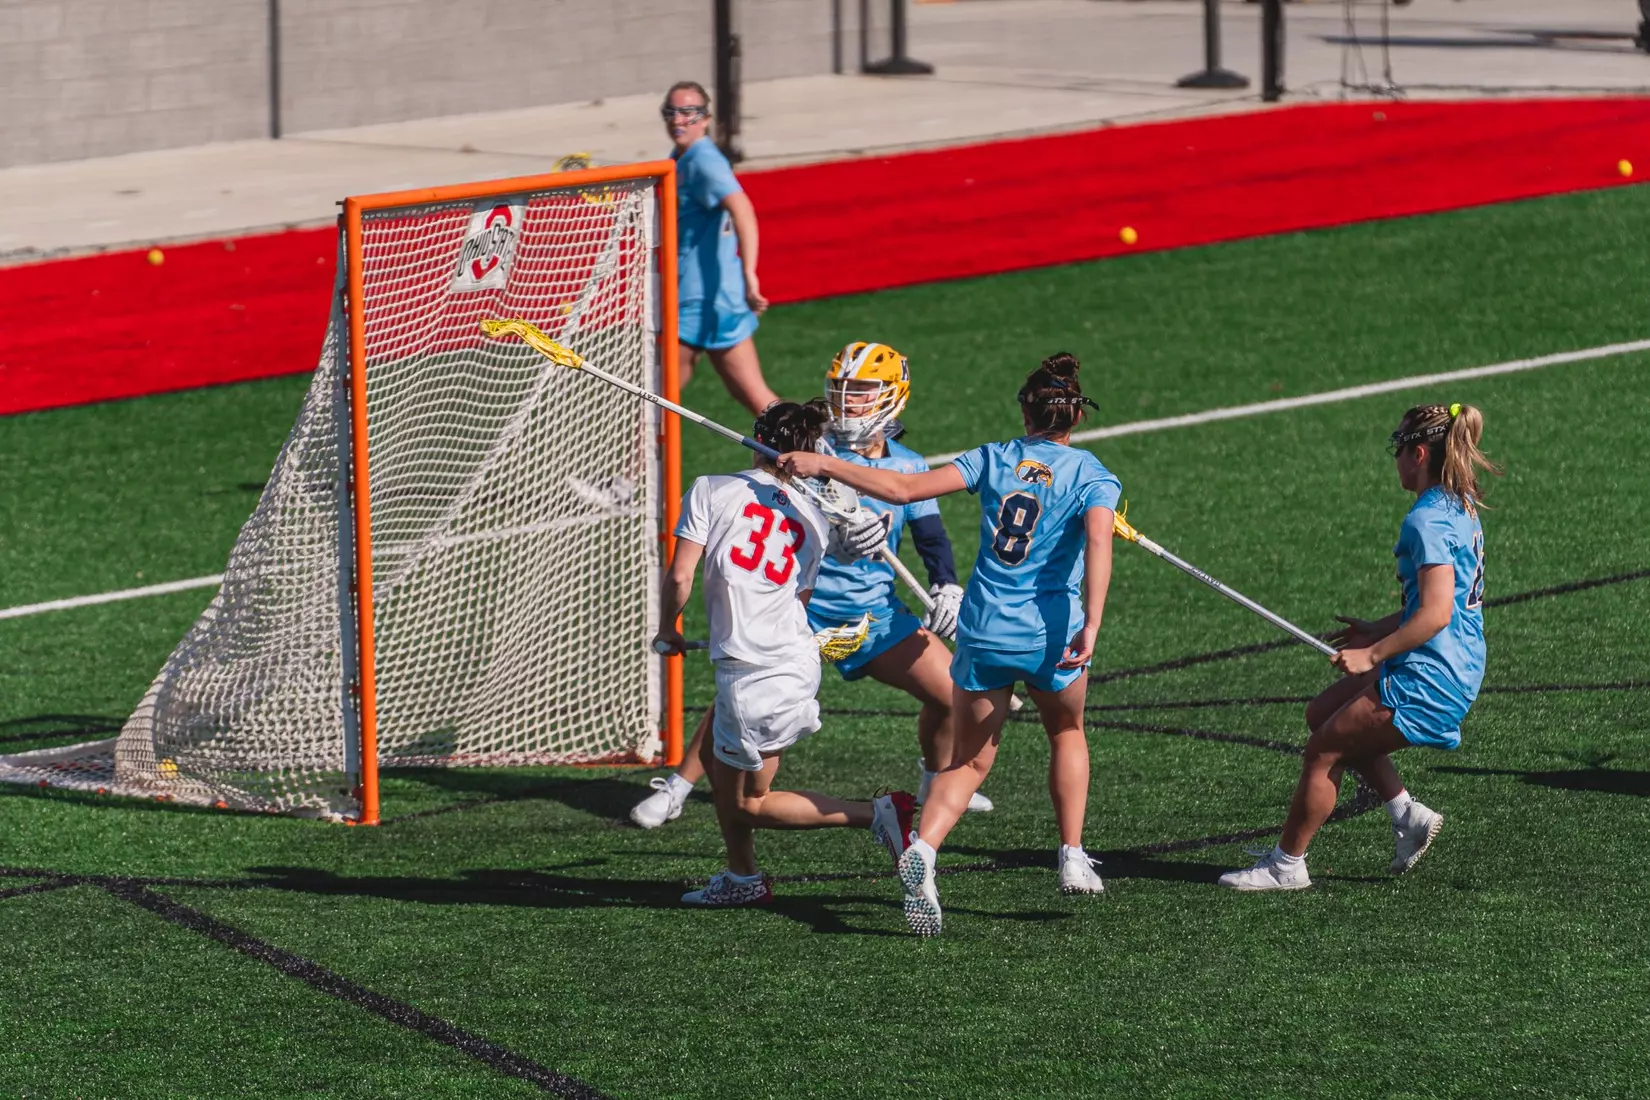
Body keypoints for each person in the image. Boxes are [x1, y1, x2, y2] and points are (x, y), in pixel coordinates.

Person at [781, 353, 1120, 936]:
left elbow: (902, 488)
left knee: (969, 759)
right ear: (1074, 418)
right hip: (1051, 632)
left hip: (986, 630)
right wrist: (1091, 624)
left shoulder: (991, 458)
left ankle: (928, 848)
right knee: (1065, 732)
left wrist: (821, 464)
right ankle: (1071, 855)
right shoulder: (1093, 474)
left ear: (1025, 409)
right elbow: (1098, 546)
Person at [630, 341, 992, 830]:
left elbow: (931, 536)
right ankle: (678, 787)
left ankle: (934, 783)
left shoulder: (909, 466)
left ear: (893, 396)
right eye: (841, 389)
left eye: (861, 390)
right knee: (739, 694)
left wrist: (946, 585)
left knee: (951, 694)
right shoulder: (810, 449)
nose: (849, 400)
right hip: (802, 607)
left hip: (872, 615)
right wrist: (843, 532)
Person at [1218, 402, 1498, 892]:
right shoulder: (1460, 504)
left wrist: (1372, 654)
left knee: (1324, 750)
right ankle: (1407, 814)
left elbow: (1436, 614)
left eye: (1398, 450)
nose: (1395, 461)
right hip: (1448, 659)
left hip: (1433, 673)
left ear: (1417, 454)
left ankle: (1288, 865)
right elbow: (1439, 602)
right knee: (1322, 713)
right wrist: (1379, 628)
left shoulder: (1426, 522)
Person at [655, 400, 914, 907]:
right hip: (787, 662)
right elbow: (799, 602)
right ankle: (741, 877)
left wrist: (668, 629)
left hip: (757, 677)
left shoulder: (710, 489)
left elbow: (681, 575)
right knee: (712, 757)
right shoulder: (814, 520)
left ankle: (876, 813)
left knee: (750, 803)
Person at [661, 80, 780, 416]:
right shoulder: (682, 157)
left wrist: (750, 274)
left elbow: (742, 208)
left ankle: (632, 468)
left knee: (655, 399)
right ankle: (816, 453)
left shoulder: (703, 161)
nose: (677, 120)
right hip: (708, 299)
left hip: (701, 302)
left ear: (706, 117)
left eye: (688, 112)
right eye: (670, 112)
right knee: (759, 401)